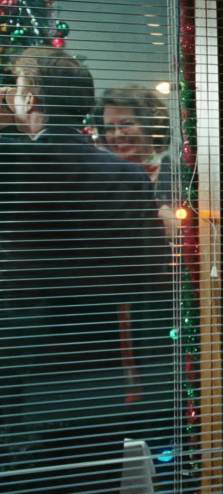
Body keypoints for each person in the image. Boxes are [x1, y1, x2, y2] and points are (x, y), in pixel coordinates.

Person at [0, 47, 174, 492]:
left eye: (16, 89)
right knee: (92, 477)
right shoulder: (126, 176)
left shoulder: (12, 165)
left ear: (30, 100)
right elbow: (150, 273)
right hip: (98, 357)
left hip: (22, 358)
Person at [100, 84, 177, 240]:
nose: (117, 134)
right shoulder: (101, 181)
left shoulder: (181, 178)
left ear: (151, 126)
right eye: (110, 128)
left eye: (126, 124)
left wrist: (178, 229)